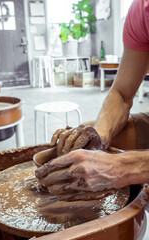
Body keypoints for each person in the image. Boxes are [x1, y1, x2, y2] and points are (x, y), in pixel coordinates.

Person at [35, 0, 149, 201]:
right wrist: (100, 136)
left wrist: (126, 167)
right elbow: (122, 95)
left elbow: (125, 166)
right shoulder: (142, 11)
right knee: (84, 141)